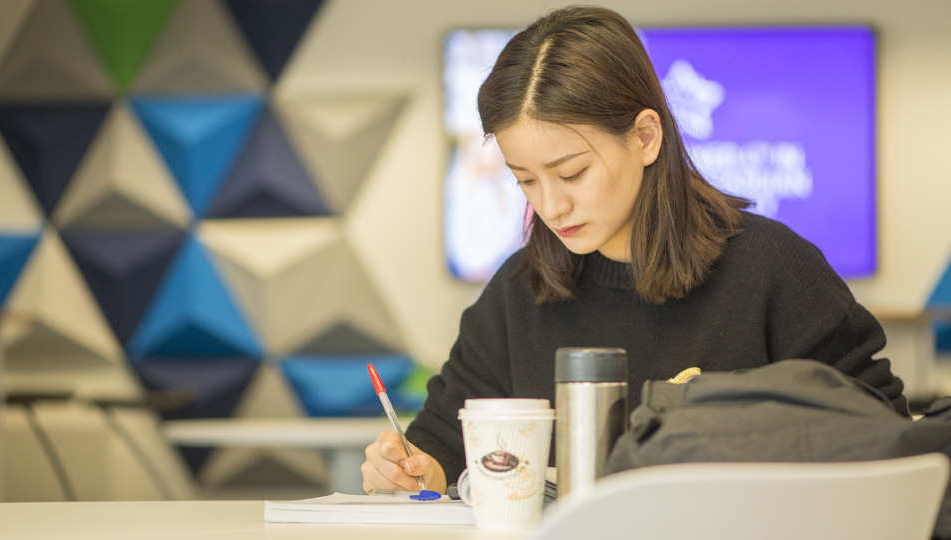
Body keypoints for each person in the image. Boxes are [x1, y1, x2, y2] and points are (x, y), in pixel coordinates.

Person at [361, 5, 909, 495]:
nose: (551, 207)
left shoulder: (775, 272)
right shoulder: (515, 294)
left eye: (571, 173)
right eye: (525, 180)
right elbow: (439, 448)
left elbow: (885, 443)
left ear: (646, 137)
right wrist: (411, 470)